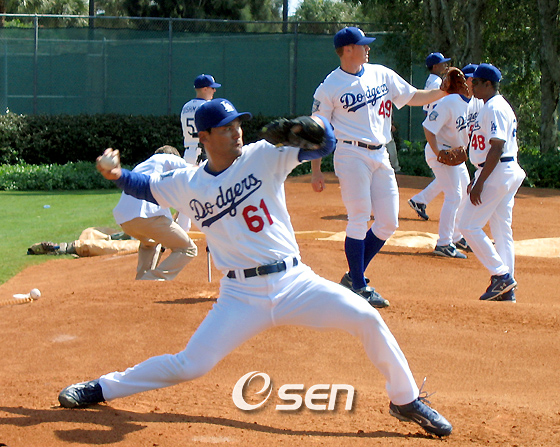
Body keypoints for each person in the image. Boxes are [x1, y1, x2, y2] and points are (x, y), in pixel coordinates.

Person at [57, 98, 453, 438]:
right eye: (226, 127)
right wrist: (115, 174)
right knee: (190, 365)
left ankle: (405, 400)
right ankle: (101, 388)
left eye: (238, 124)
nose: (236, 132)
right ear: (204, 136)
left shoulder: (263, 154)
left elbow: (324, 146)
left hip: (295, 282)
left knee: (366, 317)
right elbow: (145, 187)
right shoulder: (188, 183)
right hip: (240, 296)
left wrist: (313, 129)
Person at [310, 27, 449, 307]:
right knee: (359, 216)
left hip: (381, 153)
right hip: (350, 154)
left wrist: (442, 92)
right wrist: (316, 169)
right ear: (348, 50)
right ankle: (359, 286)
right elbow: (318, 130)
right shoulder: (329, 86)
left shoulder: (381, 74)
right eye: (362, 45)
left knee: (388, 222)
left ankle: (353, 276)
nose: (368, 48)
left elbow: (412, 96)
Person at [459, 64, 526, 302]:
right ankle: (507, 288)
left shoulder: (495, 107)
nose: (472, 85)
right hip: (503, 170)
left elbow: (497, 147)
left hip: (497, 170)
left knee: (467, 226)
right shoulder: (493, 105)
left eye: (476, 82)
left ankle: (501, 275)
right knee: (501, 230)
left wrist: (480, 182)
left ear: (488, 84)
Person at [113, 145, 198, 281]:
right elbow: (192, 174)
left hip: (125, 219)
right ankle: (150, 280)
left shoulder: (142, 165)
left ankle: (141, 283)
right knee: (188, 249)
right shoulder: (169, 159)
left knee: (149, 244)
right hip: (149, 216)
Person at [420, 66, 472, 259]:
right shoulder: (449, 102)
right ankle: (443, 243)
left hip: (456, 154)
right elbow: (428, 127)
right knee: (454, 195)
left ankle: (457, 236)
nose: (472, 83)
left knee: (465, 191)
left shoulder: (474, 103)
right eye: (471, 79)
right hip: (439, 152)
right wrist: (438, 152)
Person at [407, 52, 451, 221]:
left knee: (448, 175)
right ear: (435, 66)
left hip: (435, 128)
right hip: (439, 131)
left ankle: (420, 200)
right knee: (449, 176)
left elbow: (427, 110)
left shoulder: (431, 81)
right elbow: (438, 110)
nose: (445, 66)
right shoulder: (438, 83)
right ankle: (420, 200)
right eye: (442, 63)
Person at [180, 74, 221, 165]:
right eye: (212, 88)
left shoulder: (186, 106)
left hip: (188, 153)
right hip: (203, 153)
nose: (214, 90)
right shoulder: (208, 106)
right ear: (205, 89)